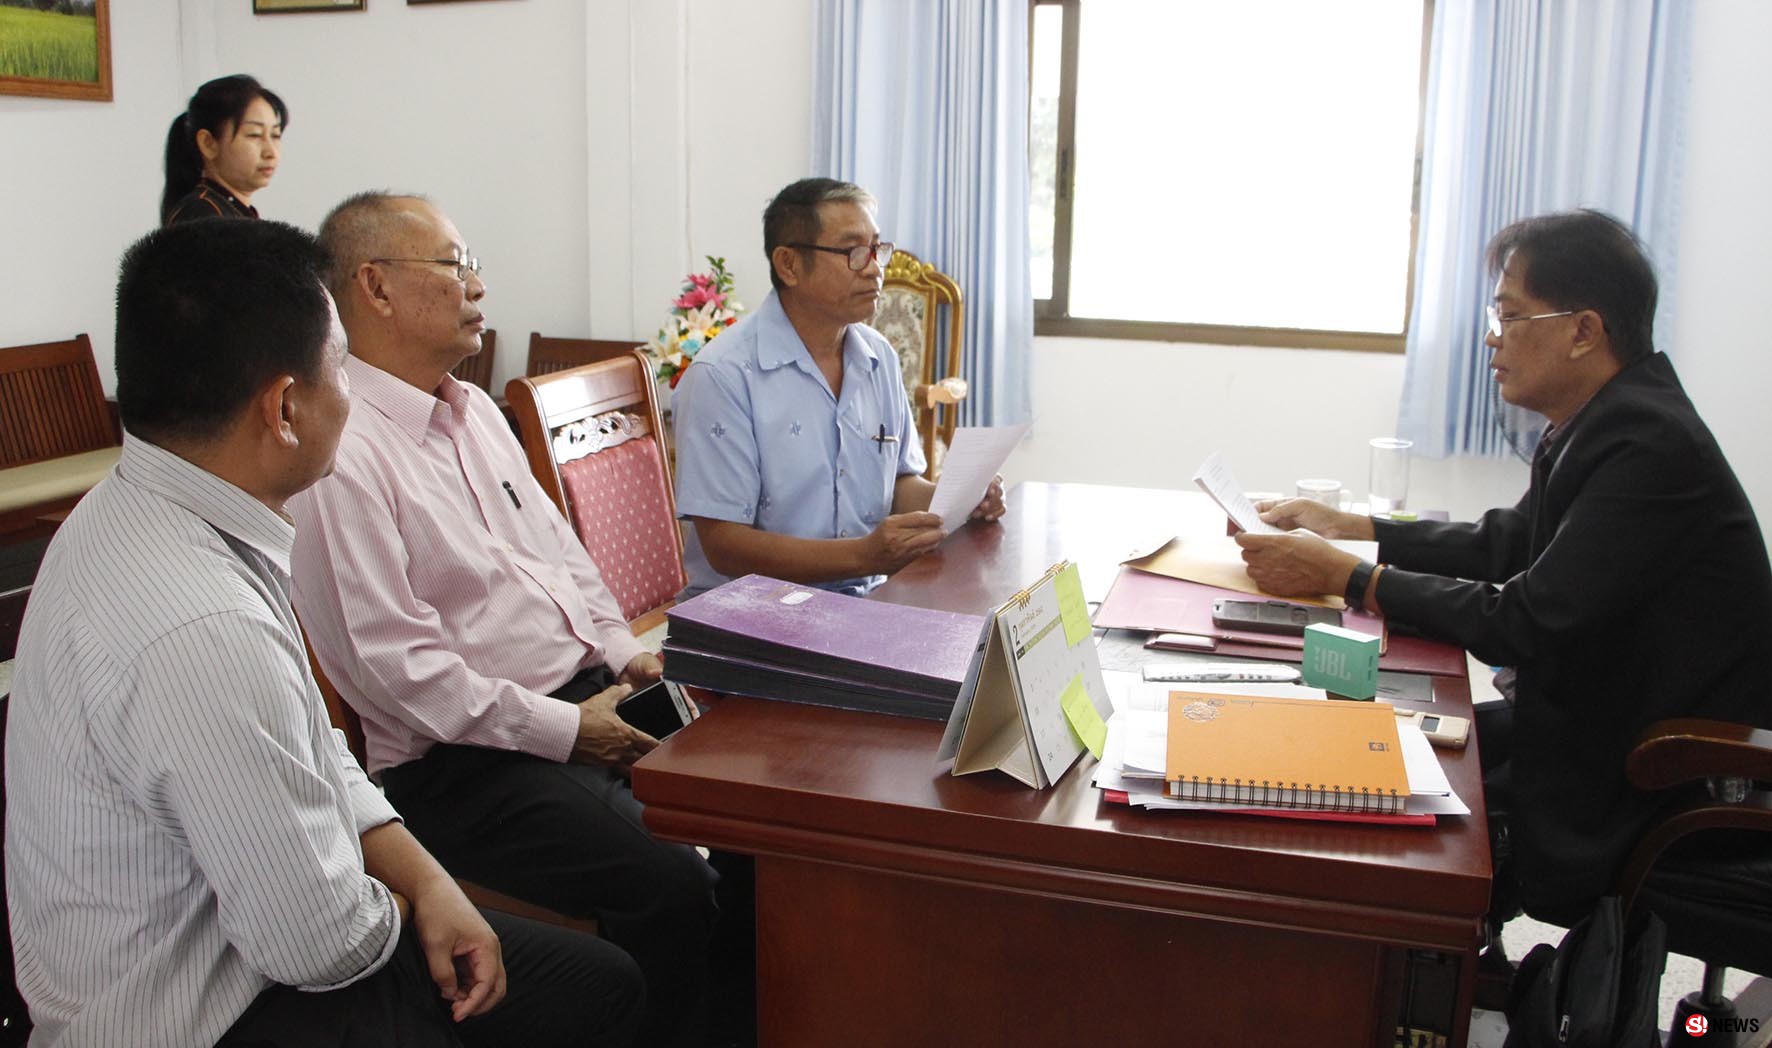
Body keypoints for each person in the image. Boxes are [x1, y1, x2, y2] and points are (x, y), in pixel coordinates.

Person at [3, 218, 642, 1047]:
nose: (356, 393)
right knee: (598, 990)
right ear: (285, 406)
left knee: (593, 975)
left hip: (245, 959)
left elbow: (310, 741)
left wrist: (425, 877)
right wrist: (417, 905)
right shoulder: (201, 621)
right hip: (208, 1014)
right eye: (342, 365)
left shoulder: (152, 508)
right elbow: (323, 945)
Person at [1235, 209, 1772, 928]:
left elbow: (1526, 620)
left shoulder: (1648, 446)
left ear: (1583, 331)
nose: (1493, 339)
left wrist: (1349, 577)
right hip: (1601, 716)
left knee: (1402, 811)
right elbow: (1510, 542)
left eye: (1511, 315)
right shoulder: (1607, 419)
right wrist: (1356, 530)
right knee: (1385, 742)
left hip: (1656, 768)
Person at [289, 192, 733, 1048]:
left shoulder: (476, 411)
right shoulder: (343, 448)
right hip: (466, 764)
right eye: (456, 267)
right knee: (672, 876)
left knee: (760, 799)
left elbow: (562, 558)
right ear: (374, 287)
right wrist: (572, 731)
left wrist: (622, 656)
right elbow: (396, 670)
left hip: (588, 697)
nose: (480, 287)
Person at [670, 176, 1004, 599]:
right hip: (751, 620)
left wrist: (957, 501)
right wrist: (864, 556)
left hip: (865, 600)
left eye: (877, 248)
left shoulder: (877, 356)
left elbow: (899, 485)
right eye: (853, 252)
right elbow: (725, 547)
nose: (875, 268)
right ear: (788, 264)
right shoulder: (723, 375)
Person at [161, 74, 286, 225]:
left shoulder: (233, 211)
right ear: (208, 144)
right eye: (254, 135)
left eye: (275, 135)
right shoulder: (202, 216)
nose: (271, 153)